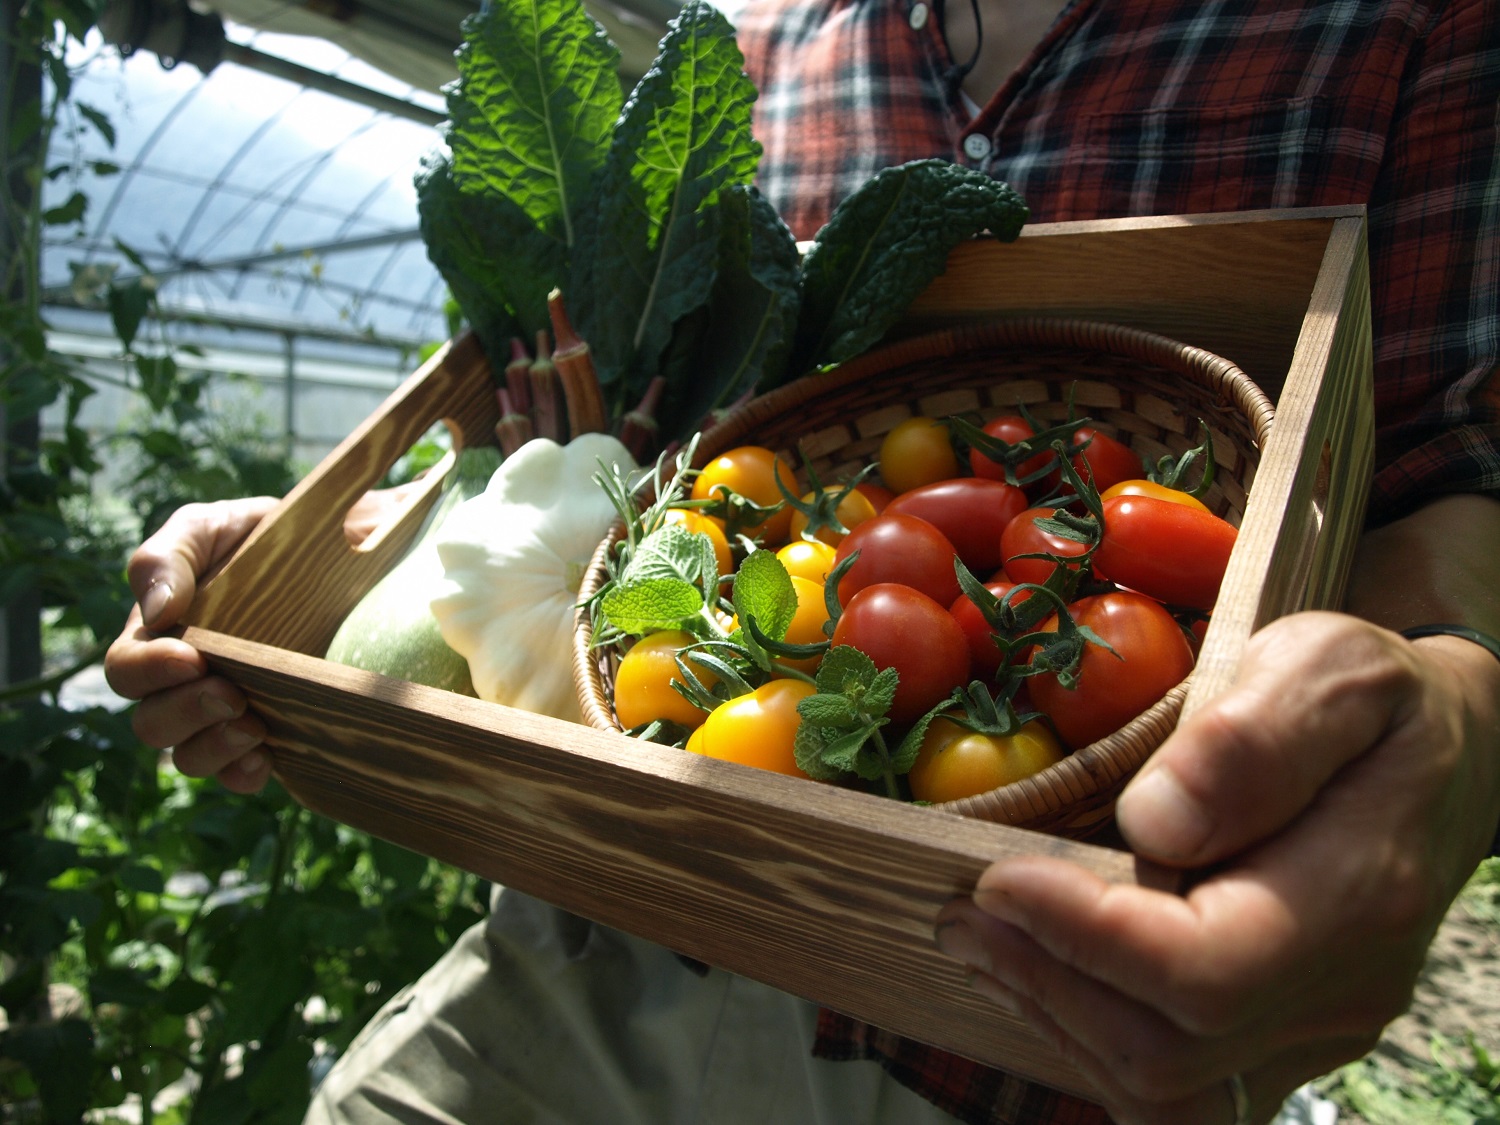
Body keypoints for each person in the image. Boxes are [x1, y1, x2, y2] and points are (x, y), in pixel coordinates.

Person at [104, 0, 1500, 1123]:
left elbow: (1456, 493)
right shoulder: (760, 44)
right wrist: (340, 550)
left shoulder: (1407, 25)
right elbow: (642, 471)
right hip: (596, 943)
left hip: (1025, 1045)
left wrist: (1451, 716)